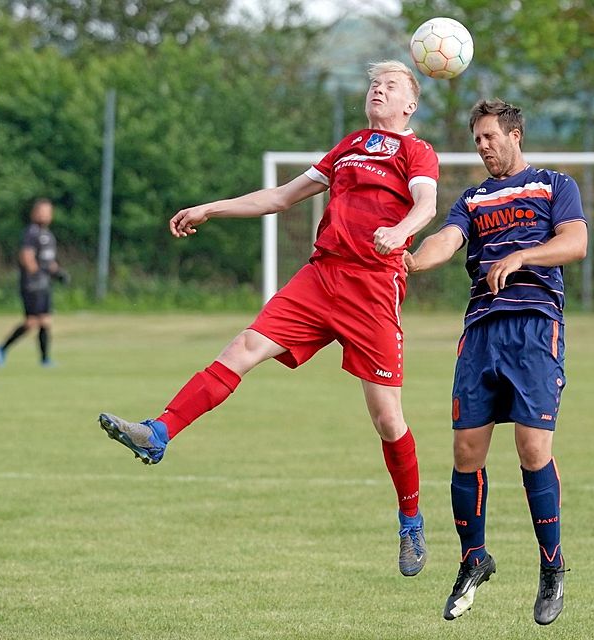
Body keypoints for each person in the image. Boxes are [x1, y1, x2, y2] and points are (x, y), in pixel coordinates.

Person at [97, 60, 437, 576]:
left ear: (409, 104)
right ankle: (158, 433)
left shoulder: (417, 150)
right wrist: (212, 208)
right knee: (243, 349)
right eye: (373, 83)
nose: (377, 90)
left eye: (390, 86)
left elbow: (426, 205)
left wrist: (400, 230)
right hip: (322, 276)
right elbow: (280, 197)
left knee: (388, 419)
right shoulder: (348, 147)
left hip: (373, 286)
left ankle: (410, 521)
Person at [404, 99, 587, 625]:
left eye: (489, 137)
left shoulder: (554, 184)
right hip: (481, 329)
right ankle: (472, 560)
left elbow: (575, 242)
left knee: (532, 449)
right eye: (477, 139)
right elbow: (448, 238)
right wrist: (412, 258)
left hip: (533, 326)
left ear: (515, 135)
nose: (482, 147)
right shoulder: (472, 199)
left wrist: (523, 255)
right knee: (466, 451)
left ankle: (551, 566)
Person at [0, 198, 68, 367]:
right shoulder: (31, 233)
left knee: (46, 320)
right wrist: (37, 275)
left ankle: (44, 359)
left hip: (44, 284)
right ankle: (2, 348)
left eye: (48, 212)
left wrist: (58, 273)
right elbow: (27, 257)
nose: (45, 215)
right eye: (42, 211)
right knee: (31, 322)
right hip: (32, 285)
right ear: (34, 213)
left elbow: (49, 261)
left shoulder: (48, 236)